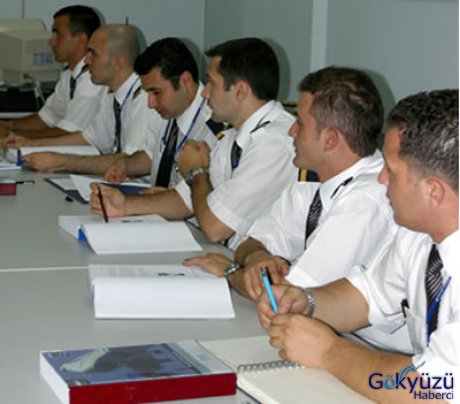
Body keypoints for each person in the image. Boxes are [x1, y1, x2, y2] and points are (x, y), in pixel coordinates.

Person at [184, 66, 411, 351]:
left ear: (330, 139)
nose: (291, 131)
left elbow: (291, 298)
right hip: (326, 333)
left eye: (300, 124)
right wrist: (257, 258)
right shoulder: (312, 182)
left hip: (373, 350)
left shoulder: (367, 199)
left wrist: (231, 272)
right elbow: (252, 242)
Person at [258, 89, 458, 402]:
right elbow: (369, 296)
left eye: (391, 171)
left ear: (433, 192)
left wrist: (330, 352)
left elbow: (435, 389)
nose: (381, 179)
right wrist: (306, 302)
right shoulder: (418, 234)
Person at [90, 38, 297, 248]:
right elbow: (184, 198)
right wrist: (124, 205)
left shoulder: (273, 143)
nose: (205, 93)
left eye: (212, 84)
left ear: (240, 91)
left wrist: (196, 173)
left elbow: (215, 228)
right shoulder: (236, 135)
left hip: (250, 261)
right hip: (225, 254)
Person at [15, 24, 158, 175]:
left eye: (93, 54)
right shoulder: (112, 93)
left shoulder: (144, 98)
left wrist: (61, 161)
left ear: (118, 62)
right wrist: (31, 143)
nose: (87, 60)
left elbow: (130, 161)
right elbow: (89, 138)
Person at [102, 37, 221, 190]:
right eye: (148, 93)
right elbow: (151, 155)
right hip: (156, 202)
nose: (150, 103)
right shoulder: (165, 111)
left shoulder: (214, 126)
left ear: (185, 81)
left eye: (156, 92)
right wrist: (125, 165)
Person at [0, 5, 104, 142]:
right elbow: (46, 118)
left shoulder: (93, 80)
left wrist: (10, 133)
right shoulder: (69, 75)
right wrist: (8, 125)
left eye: (58, 34)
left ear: (81, 39)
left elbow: (69, 133)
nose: (51, 41)